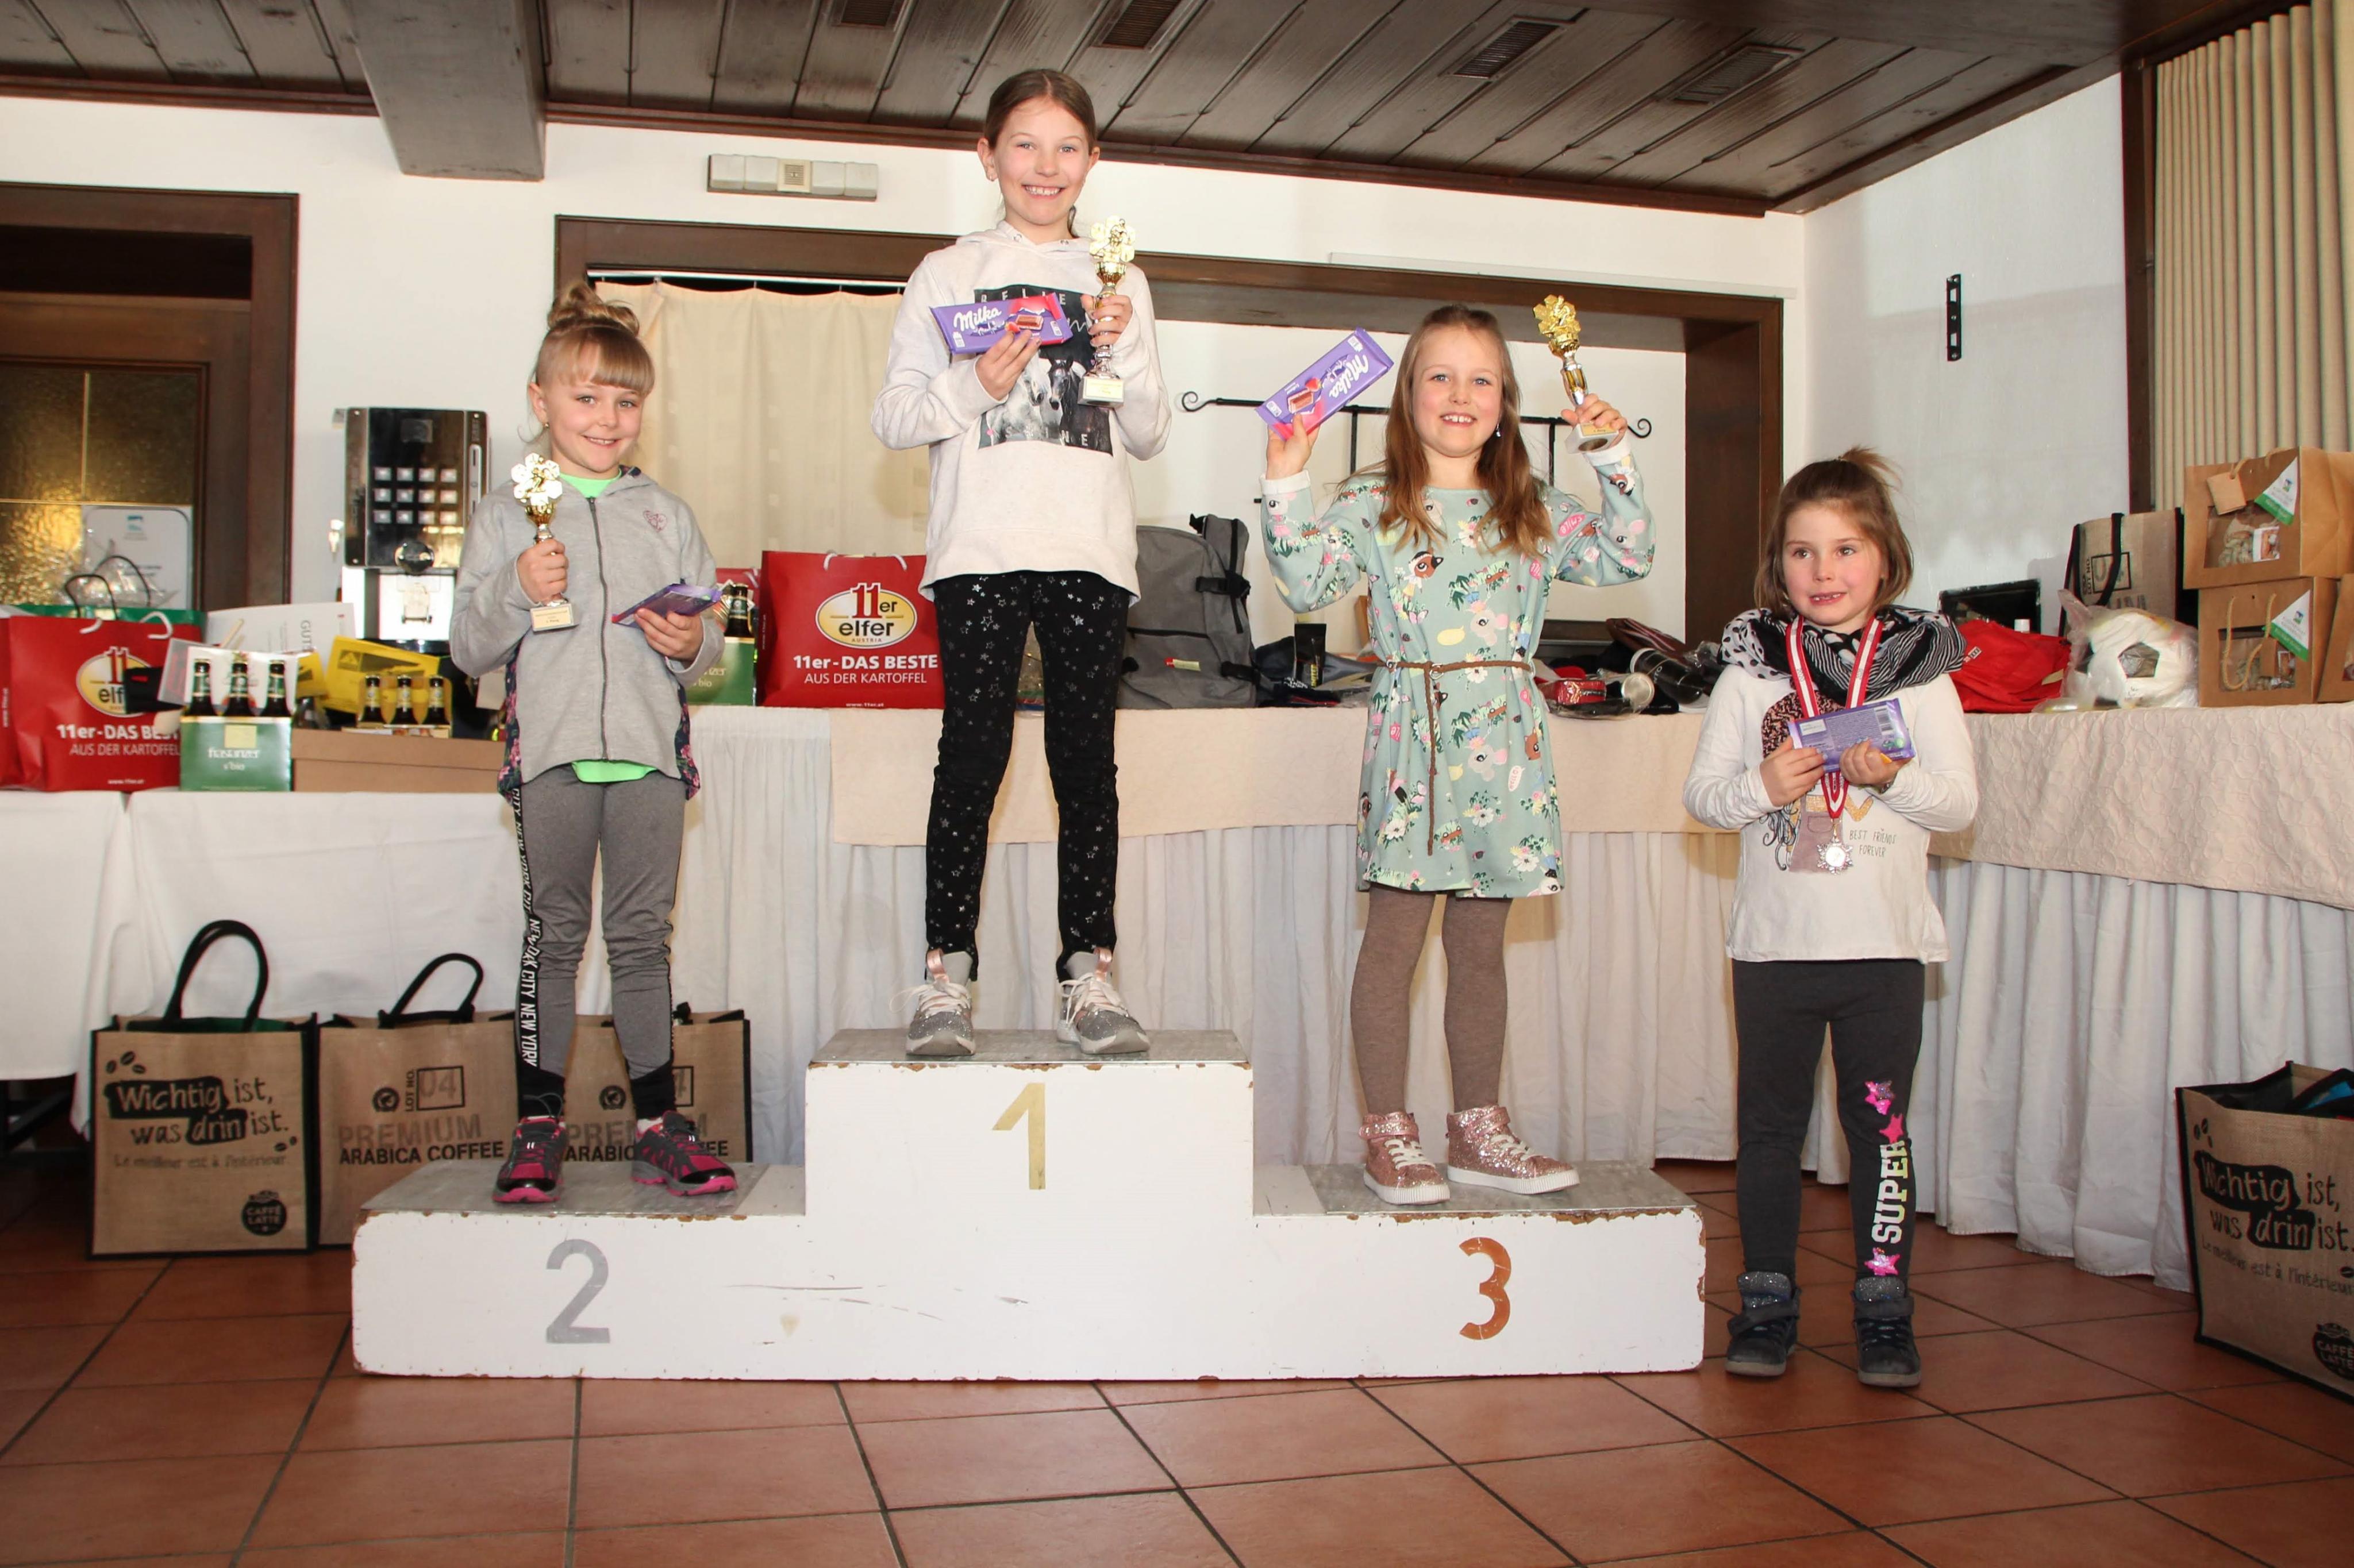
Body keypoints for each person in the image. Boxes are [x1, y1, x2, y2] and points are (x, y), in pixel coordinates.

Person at [1261, 304, 1652, 1205]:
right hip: (1414, 742)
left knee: (1482, 950)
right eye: (1440, 375)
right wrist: (1286, 477)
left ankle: (1478, 1130)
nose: (1460, 393)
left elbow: (1628, 554)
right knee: (1394, 944)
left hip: (1506, 748)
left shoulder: (1534, 506)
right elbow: (1306, 581)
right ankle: (1388, 1134)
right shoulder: (1370, 500)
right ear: (1407, 395)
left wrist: (1613, 458)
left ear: (1506, 401)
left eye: (1482, 378)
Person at [872, 67, 1169, 1058]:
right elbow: (895, 415)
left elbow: (1150, 431)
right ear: (988, 154)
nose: (1047, 167)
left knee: (1086, 765)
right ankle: (945, 978)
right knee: (972, 758)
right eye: (1026, 145)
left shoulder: (1120, 279)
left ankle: (1089, 973)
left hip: (1090, 551)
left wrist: (1123, 353)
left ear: (1093, 159)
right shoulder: (945, 272)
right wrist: (974, 383)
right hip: (981, 552)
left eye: (1068, 147)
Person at [1681, 448, 1978, 1388]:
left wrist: (1897, 780)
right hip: (1775, 951)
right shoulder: (1751, 671)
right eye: (1803, 552)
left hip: (1884, 952)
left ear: (1884, 558)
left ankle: (1885, 1307)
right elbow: (1703, 797)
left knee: (1881, 1131)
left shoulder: (1922, 673)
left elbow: (1960, 805)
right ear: (1779, 564)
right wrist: (1761, 785)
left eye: (1846, 549)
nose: (1824, 571)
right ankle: (1766, 1301)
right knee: (1769, 1133)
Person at [452, 282, 736, 1204]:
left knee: (643, 941)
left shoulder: (667, 513)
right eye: (586, 398)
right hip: (552, 757)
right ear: (541, 401)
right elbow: (467, 648)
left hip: (651, 758)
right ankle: (538, 1126)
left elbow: (709, 644)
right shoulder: (506, 514)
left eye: (626, 401)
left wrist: (692, 642)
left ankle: (658, 1126)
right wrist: (517, 588)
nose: (608, 419)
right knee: (555, 937)